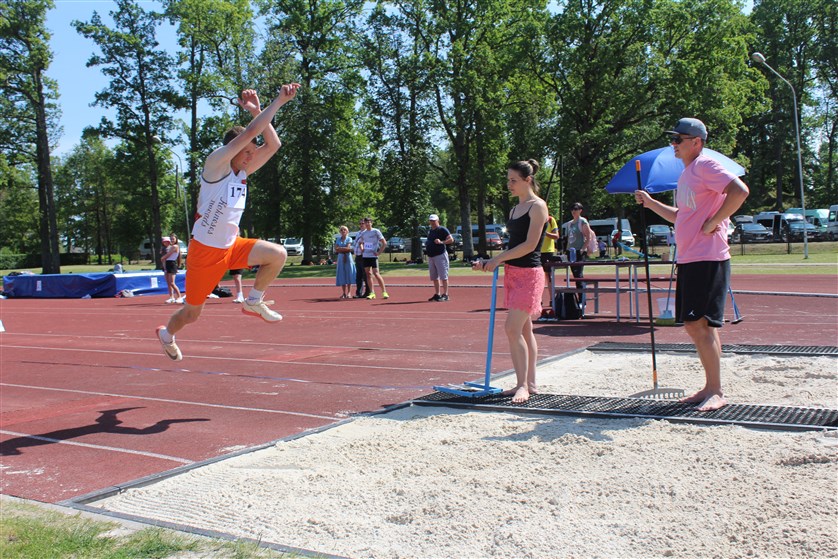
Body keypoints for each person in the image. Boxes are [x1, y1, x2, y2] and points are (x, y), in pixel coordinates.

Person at [156, 85, 301, 361]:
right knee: (191, 314)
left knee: (278, 255)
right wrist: (278, 102)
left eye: (252, 153)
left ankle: (254, 300)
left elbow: (274, 145)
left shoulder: (242, 170)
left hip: (232, 246)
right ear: (231, 149)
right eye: (247, 152)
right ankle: (166, 335)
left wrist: (257, 111)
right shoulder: (215, 164)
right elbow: (250, 133)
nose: (251, 156)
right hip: (205, 253)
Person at [634, 117, 749, 412]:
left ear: (696, 142)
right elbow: (681, 216)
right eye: (673, 139)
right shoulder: (687, 173)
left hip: (707, 257)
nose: (673, 144)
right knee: (696, 325)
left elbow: (740, 191)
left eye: (678, 139)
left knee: (700, 324)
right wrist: (650, 203)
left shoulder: (705, 165)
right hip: (689, 258)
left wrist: (714, 221)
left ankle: (716, 390)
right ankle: (711, 386)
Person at [473, 159, 548, 404]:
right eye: (508, 180)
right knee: (525, 330)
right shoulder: (516, 209)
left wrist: (498, 259)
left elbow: (529, 244)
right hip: (513, 273)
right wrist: (488, 262)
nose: (509, 185)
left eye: (513, 180)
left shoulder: (538, 207)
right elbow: (513, 245)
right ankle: (531, 383)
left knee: (512, 328)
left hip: (530, 275)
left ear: (528, 180)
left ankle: (523, 385)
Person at [564, 202, 594, 311]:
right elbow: (569, 238)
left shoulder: (582, 221)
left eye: (576, 209)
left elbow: (588, 236)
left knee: (579, 276)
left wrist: (582, 249)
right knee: (575, 275)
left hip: (579, 251)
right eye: (572, 209)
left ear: (580, 210)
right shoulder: (570, 223)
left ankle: (582, 301)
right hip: (570, 251)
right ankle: (579, 299)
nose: (573, 211)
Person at [357, 217, 389, 300]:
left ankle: (384, 292)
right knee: (368, 274)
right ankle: (372, 293)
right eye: (365, 222)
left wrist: (379, 252)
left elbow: (384, 243)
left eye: (368, 222)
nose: (367, 224)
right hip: (366, 256)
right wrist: (362, 248)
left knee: (376, 273)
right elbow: (360, 242)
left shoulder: (376, 231)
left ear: (371, 223)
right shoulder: (363, 233)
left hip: (373, 256)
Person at [425, 214, 453, 301]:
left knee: (443, 276)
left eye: (434, 221)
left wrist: (441, 242)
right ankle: (437, 294)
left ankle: (446, 295)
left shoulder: (442, 229)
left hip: (440, 255)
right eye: (431, 221)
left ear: (438, 221)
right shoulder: (430, 231)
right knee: (434, 277)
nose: (432, 222)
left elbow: (451, 239)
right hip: (431, 256)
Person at [160, 234, 183, 304]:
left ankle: (179, 297)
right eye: (171, 239)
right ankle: (171, 297)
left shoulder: (175, 246)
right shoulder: (170, 247)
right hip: (167, 264)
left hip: (172, 264)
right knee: (168, 283)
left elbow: (167, 255)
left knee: (172, 283)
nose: (172, 240)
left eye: (173, 239)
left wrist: (163, 258)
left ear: (176, 239)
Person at [334, 225, 356, 299]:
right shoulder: (338, 239)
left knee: (349, 273)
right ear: (340, 232)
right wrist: (343, 249)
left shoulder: (349, 238)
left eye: (345, 230)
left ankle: (349, 292)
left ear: (347, 231)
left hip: (348, 257)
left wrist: (340, 248)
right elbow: (336, 249)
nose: (343, 231)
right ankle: (343, 293)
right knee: (342, 273)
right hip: (340, 258)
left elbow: (348, 248)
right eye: (342, 230)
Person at [352, 219, 368, 298]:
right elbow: (355, 244)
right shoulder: (358, 233)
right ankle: (359, 293)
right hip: (357, 256)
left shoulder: (367, 233)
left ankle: (368, 292)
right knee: (359, 275)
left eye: (363, 223)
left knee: (366, 275)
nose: (361, 225)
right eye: (360, 223)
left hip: (364, 256)